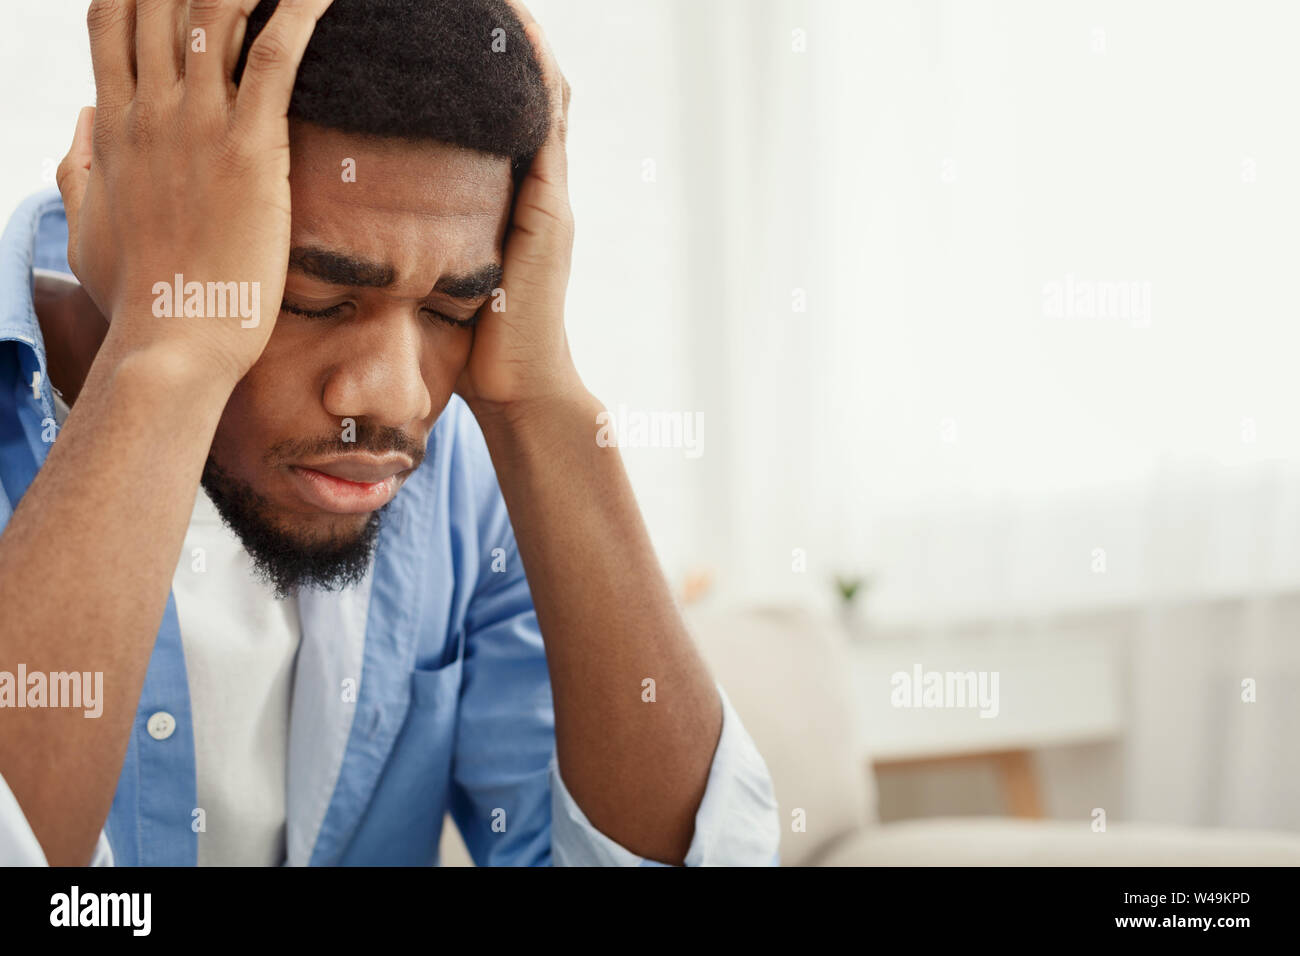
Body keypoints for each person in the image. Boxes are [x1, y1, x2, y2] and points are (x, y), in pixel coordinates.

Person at [0, 0, 779, 866]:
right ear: (147, 207)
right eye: (314, 300)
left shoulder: (466, 484)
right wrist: (165, 353)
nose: (396, 397)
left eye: (453, 309)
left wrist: (544, 407)